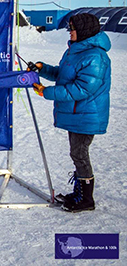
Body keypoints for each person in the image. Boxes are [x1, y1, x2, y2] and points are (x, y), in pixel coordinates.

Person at [28, 13, 111, 212]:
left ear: (83, 30)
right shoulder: (75, 51)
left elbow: (81, 89)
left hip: (87, 114)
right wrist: (42, 69)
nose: (69, 32)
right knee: (77, 153)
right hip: (76, 114)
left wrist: (46, 92)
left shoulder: (95, 56)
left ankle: (86, 200)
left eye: (72, 28)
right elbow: (62, 75)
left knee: (79, 153)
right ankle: (79, 193)